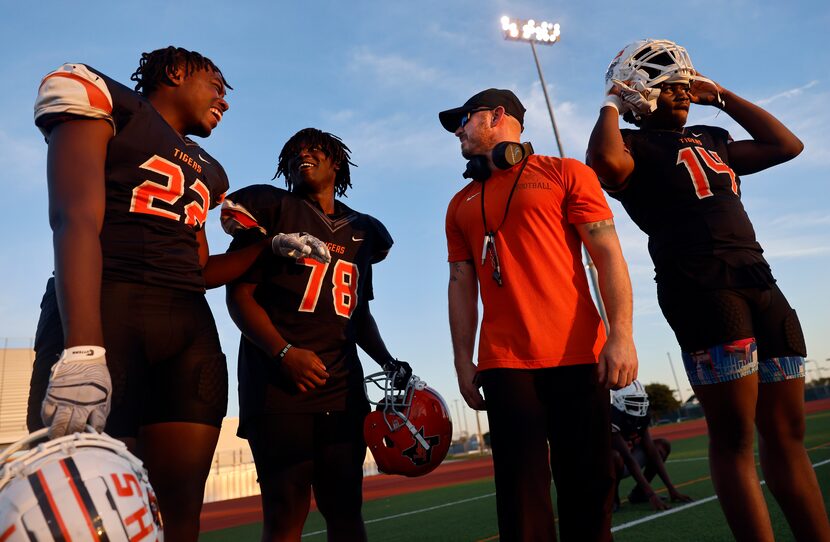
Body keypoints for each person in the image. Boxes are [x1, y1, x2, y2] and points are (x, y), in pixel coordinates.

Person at [587, 39, 830, 541]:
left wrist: (721, 95)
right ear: (641, 94)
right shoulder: (631, 145)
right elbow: (605, 164)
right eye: (669, 86)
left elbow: (788, 146)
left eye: (683, 84)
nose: (681, 92)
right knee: (735, 439)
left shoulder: (711, 135)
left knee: (787, 437)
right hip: (701, 289)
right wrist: (612, 101)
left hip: (759, 281)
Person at [26, 46, 273, 541]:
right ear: (177, 73)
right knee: (91, 514)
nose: (224, 102)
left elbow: (202, 269)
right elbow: (75, 218)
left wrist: (265, 247)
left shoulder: (210, 169)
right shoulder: (110, 103)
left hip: (187, 328)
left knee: (178, 515)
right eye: (217, 87)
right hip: (107, 309)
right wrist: (83, 347)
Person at [441, 88, 638, 541]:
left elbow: (608, 253)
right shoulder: (459, 203)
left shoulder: (565, 173)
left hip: (577, 355)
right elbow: (460, 283)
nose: (458, 129)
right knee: (520, 496)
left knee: (588, 488)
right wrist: (461, 360)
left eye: (465, 119)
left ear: (497, 116)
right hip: (504, 364)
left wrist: (621, 335)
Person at [221, 127, 411, 541]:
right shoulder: (271, 207)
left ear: (336, 162)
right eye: (293, 152)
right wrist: (283, 352)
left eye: (313, 149)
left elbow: (358, 315)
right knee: (285, 510)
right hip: (277, 386)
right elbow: (238, 298)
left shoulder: (363, 231)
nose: (302, 154)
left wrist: (388, 361)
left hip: (342, 387)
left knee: (344, 508)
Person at [609, 380, 692, 511]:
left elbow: (652, 452)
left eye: (641, 399)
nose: (639, 404)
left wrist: (672, 489)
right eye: (634, 400)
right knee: (614, 456)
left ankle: (639, 493)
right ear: (618, 401)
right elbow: (628, 459)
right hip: (608, 466)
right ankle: (612, 498)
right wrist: (652, 495)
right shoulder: (612, 417)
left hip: (628, 460)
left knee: (661, 446)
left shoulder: (642, 415)